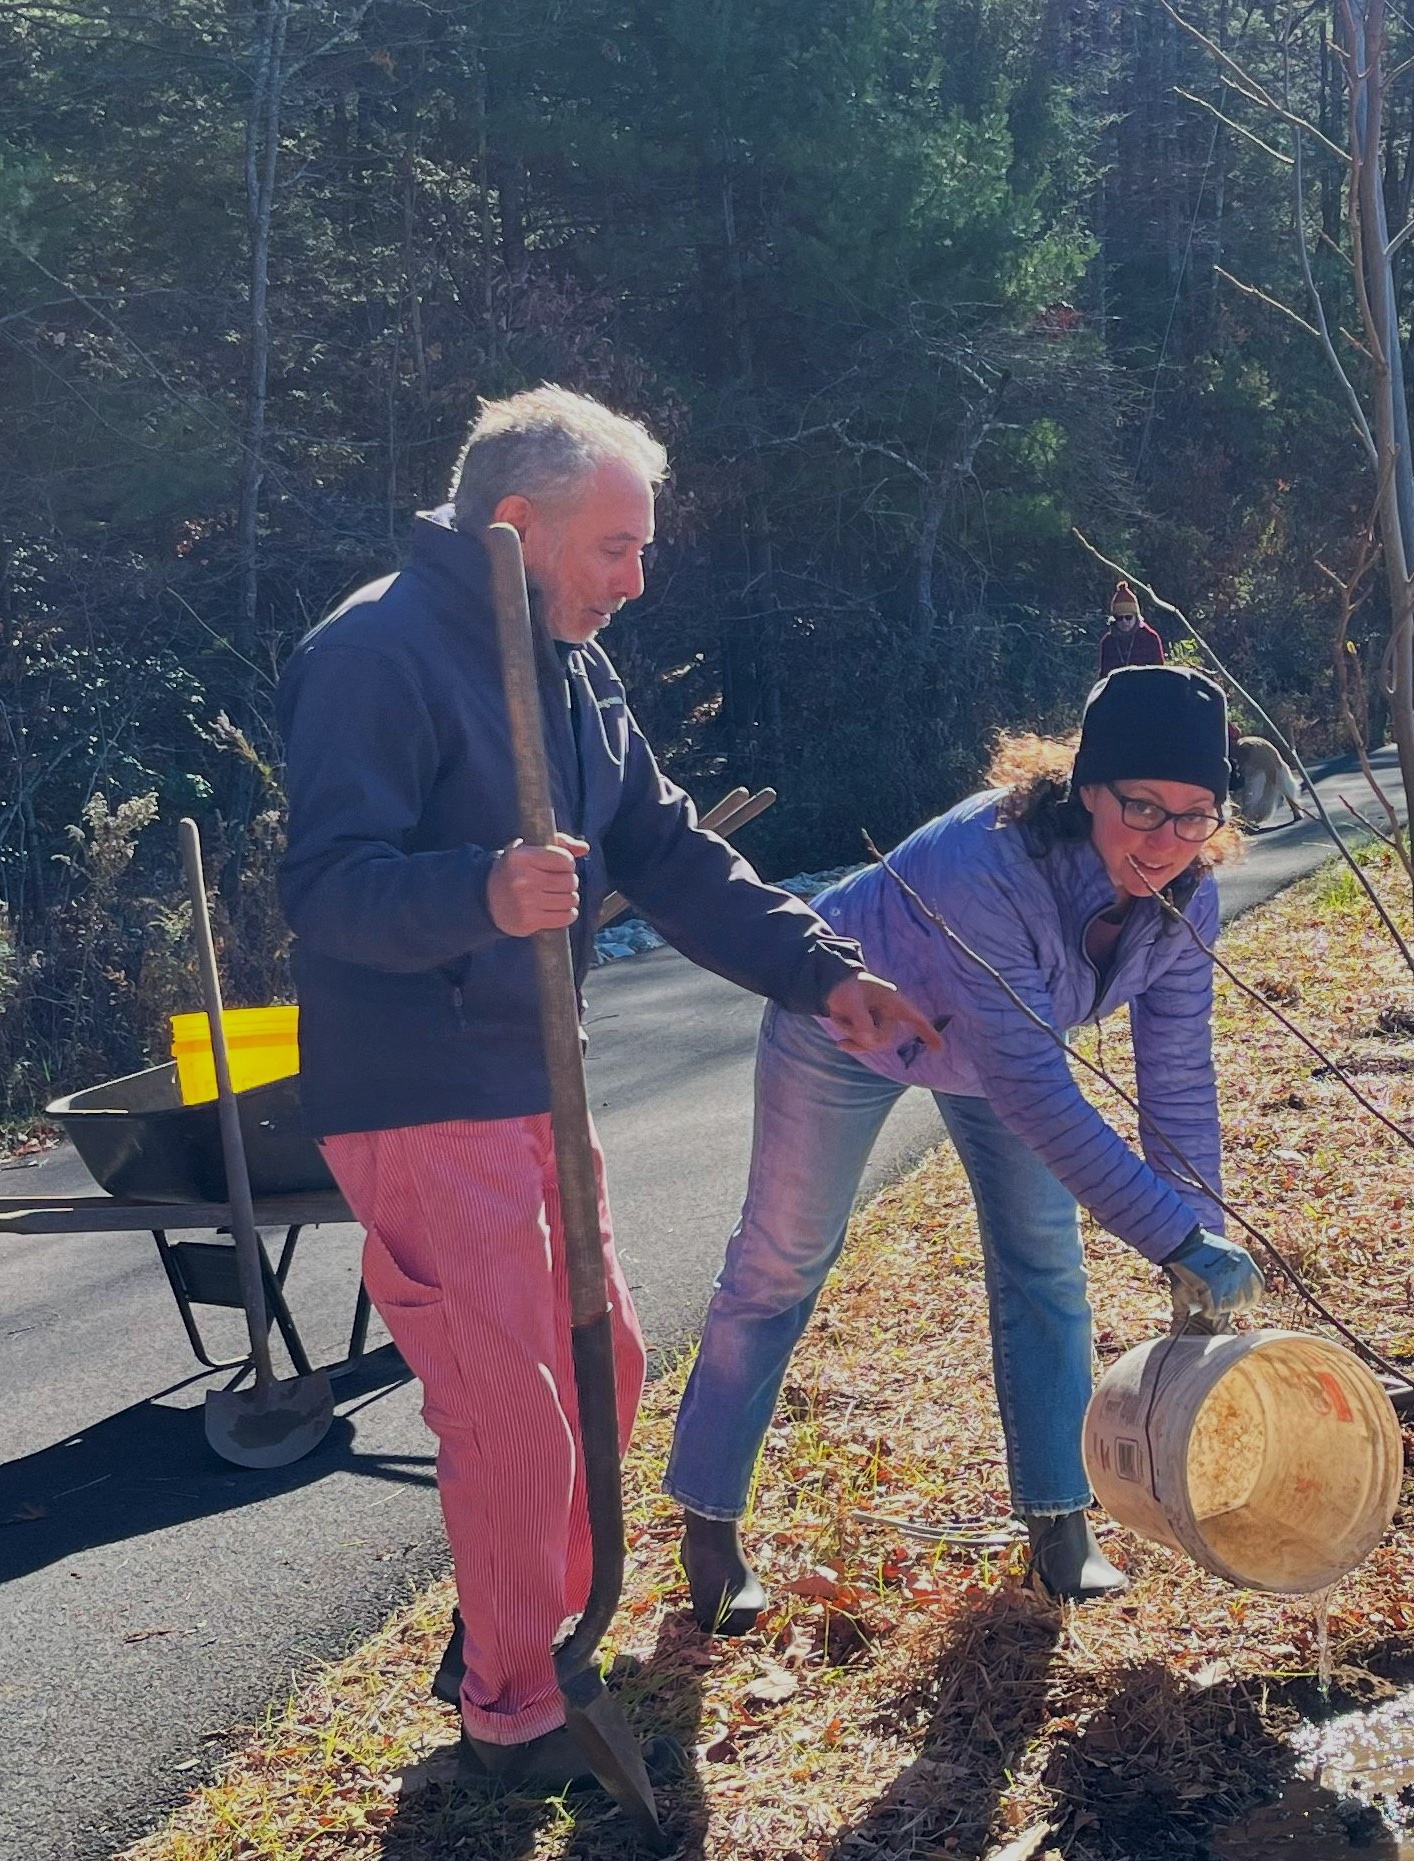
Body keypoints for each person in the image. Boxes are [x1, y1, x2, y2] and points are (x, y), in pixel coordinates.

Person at [279, 385, 937, 1789]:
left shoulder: (570, 665)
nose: (639, 579)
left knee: (606, 1364)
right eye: (616, 548)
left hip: (537, 1076)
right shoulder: (376, 652)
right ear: (517, 525)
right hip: (415, 1087)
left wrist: (821, 971)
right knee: (511, 1404)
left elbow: (668, 850)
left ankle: (514, 1636)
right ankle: (513, 1718)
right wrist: (479, 889)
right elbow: (329, 892)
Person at [665, 663, 1264, 1602]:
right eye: (1142, 808)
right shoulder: (989, 862)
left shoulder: (1188, 897)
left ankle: (1060, 1527)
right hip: (851, 1028)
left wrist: (1202, 1235)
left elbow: (1178, 1076)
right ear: (1087, 787)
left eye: (1196, 817)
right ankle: (707, 1525)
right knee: (780, 1262)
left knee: (1043, 1266)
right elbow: (1032, 1083)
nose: (1167, 840)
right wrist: (1170, 1237)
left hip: (994, 1048)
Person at [1097, 580, 1165, 677]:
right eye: (1119, 618)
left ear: (1136, 617)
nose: (1124, 622)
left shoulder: (1150, 638)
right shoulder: (1108, 642)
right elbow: (1104, 676)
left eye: (1128, 617)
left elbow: (1160, 673)